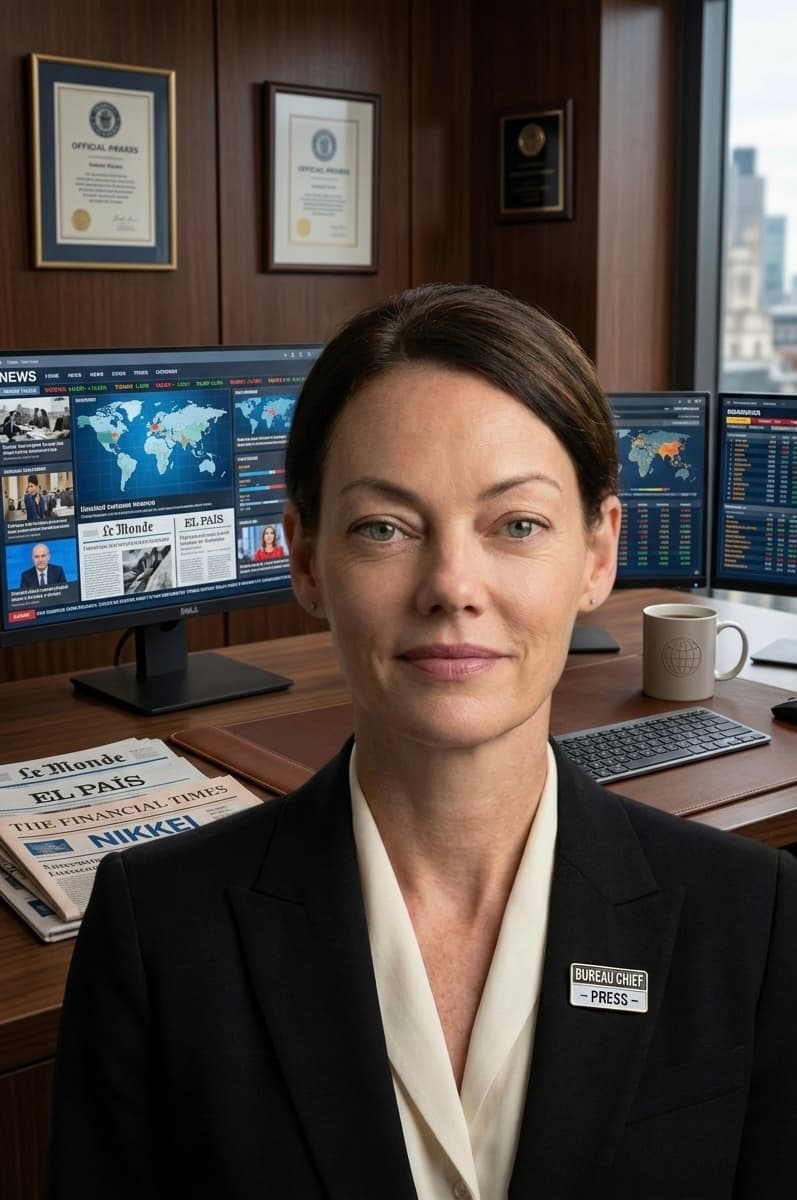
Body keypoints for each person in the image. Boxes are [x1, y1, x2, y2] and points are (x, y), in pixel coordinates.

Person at [46, 284, 797, 1199]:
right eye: (384, 528)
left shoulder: (755, 919)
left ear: (597, 554)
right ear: (306, 558)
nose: (451, 586)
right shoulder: (157, 930)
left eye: (516, 525)